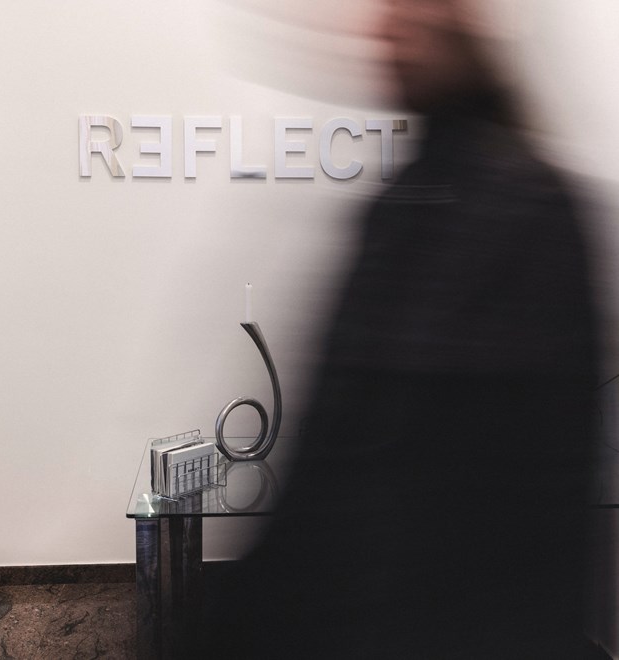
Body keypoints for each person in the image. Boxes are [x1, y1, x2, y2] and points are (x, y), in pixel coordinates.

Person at [198, 1, 608, 657]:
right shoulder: (414, 202)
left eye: (414, 9)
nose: (386, 29)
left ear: (471, 23)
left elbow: (498, 490)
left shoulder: (520, 209)